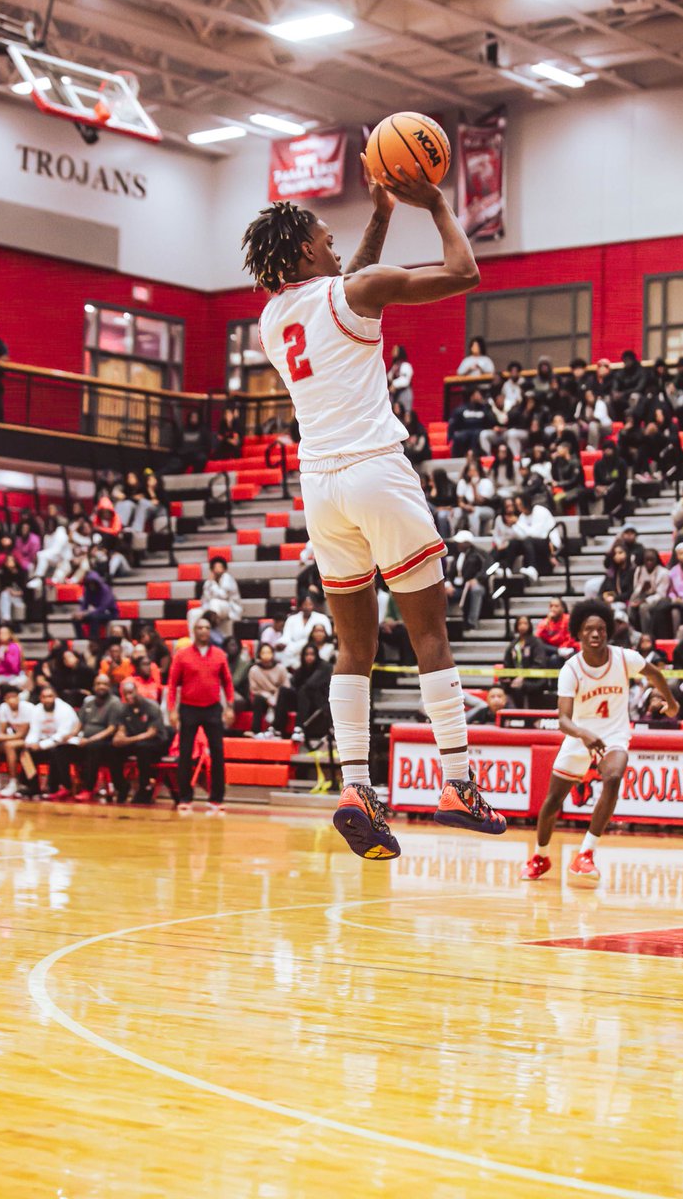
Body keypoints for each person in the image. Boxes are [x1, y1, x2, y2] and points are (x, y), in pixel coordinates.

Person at [243, 160, 506, 860]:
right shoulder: (356, 289)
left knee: (354, 648)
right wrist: (438, 205)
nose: (337, 245)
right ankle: (458, 781)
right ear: (304, 249)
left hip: (320, 489)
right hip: (375, 470)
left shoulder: (271, 320)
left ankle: (357, 787)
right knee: (431, 636)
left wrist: (381, 218)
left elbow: (339, 283)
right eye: (326, 237)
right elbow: (464, 272)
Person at [521, 599, 678, 886]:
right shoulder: (571, 669)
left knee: (615, 776)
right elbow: (563, 720)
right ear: (578, 634)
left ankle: (586, 854)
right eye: (589, 630)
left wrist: (671, 701)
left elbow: (655, 674)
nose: (596, 634)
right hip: (579, 737)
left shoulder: (623, 657)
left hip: (614, 735)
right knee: (552, 801)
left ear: (608, 632)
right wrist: (584, 735)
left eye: (601, 629)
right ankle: (540, 856)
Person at [167, 616, 234, 813]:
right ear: (194, 631)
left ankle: (216, 799)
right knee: (185, 754)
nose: (203, 631)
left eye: (206, 627)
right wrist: (172, 711)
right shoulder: (182, 655)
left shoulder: (220, 655)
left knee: (218, 754)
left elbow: (228, 683)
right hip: (188, 708)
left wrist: (229, 706)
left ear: (210, 631)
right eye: (200, 627)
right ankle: (185, 798)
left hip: (213, 708)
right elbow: (172, 685)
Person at [54, 674, 122, 801]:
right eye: (98, 684)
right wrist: (69, 736)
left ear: (110, 687)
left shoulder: (114, 703)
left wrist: (89, 740)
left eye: (105, 684)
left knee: (93, 748)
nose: (101, 686)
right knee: (60, 749)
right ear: (94, 686)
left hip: (105, 745)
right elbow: (80, 724)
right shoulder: (89, 702)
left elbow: (111, 729)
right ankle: (67, 786)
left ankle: (89, 789)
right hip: (85, 741)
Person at [112, 679, 167, 804]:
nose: (128, 696)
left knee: (143, 748)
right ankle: (121, 786)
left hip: (156, 742)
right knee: (113, 749)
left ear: (137, 691)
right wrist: (119, 738)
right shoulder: (124, 709)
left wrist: (128, 740)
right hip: (135, 742)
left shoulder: (151, 706)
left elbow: (151, 733)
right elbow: (122, 729)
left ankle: (144, 788)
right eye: (125, 694)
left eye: (131, 692)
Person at [23, 684, 80, 799]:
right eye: (44, 697)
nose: (47, 700)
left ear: (55, 697)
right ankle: (33, 787)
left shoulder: (65, 709)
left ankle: (60, 787)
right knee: (25, 753)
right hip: (46, 743)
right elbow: (34, 730)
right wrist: (30, 743)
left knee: (57, 751)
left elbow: (62, 735)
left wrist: (41, 745)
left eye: (50, 696)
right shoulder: (37, 709)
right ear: (40, 698)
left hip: (67, 744)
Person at [0, 685, 34, 797]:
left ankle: (14, 782)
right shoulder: (3, 707)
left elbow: (22, 734)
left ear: (19, 697)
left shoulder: (28, 708)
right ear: (5, 699)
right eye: (10, 697)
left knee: (9, 745)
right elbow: (3, 731)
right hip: (15, 739)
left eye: (15, 696)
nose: (13, 699)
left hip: (31, 738)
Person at [501, 617, 548, 709]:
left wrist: (523, 676)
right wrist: (507, 677)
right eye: (520, 624)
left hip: (534, 679)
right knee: (506, 685)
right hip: (516, 678)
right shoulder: (514, 644)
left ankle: (524, 715)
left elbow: (539, 664)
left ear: (529, 625)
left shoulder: (536, 642)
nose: (522, 626)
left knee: (520, 687)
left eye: (525, 623)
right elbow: (507, 664)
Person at [190, 557, 243, 636]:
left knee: (214, 603)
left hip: (229, 608)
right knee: (193, 613)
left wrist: (213, 584)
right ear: (212, 569)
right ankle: (194, 641)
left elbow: (223, 596)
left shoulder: (227, 578)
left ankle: (212, 634)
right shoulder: (208, 582)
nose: (218, 569)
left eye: (220, 567)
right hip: (212, 607)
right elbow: (205, 600)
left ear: (224, 569)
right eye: (216, 567)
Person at [248, 643, 292, 738]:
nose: (266, 655)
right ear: (259, 654)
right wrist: (268, 697)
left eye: (268, 652)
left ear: (273, 654)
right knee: (257, 699)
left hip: (279, 697)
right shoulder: (254, 670)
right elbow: (254, 689)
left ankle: (278, 730)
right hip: (263, 697)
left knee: (283, 696)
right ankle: (256, 731)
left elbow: (286, 686)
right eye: (263, 652)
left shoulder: (281, 668)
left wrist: (275, 697)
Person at [279, 596, 332, 670]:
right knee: (285, 653)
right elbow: (286, 637)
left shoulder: (322, 618)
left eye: (310, 604)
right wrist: (282, 643)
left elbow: (328, 635)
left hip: (317, 647)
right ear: (300, 606)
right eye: (305, 604)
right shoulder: (291, 619)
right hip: (296, 649)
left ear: (313, 605)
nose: (307, 607)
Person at [629, 547, 670, 634]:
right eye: (647, 560)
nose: (649, 562)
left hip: (658, 600)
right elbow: (635, 589)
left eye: (652, 560)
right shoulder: (639, 570)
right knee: (630, 605)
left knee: (643, 608)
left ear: (656, 560)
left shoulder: (664, 572)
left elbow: (661, 594)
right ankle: (632, 632)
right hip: (642, 596)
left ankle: (646, 634)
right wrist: (642, 588)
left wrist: (645, 600)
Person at [452, 460, 495, 538]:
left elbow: (480, 502)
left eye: (474, 471)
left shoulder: (486, 482)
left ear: (479, 471)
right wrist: (466, 506)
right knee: (455, 512)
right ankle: (453, 537)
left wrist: (474, 487)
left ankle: (475, 537)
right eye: (470, 471)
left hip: (486, 508)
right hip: (467, 508)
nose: (472, 473)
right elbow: (460, 502)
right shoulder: (462, 482)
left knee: (474, 513)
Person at [72, 570, 119, 641]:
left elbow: (103, 608)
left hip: (109, 613)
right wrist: (80, 613)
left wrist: (85, 613)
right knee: (75, 618)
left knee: (94, 617)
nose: (91, 585)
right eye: (90, 583)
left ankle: (93, 640)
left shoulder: (105, 590)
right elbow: (84, 604)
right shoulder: (88, 590)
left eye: (93, 583)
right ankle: (80, 638)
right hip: (96, 613)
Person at [448, 387, 493, 457]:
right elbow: (453, 425)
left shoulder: (485, 409)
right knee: (458, 436)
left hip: (479, 434)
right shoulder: (460, 410)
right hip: (465, 435)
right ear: (472, 396)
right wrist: (450, 438)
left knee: (478, 434)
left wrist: (486, 406)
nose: (480, 396)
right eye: (478, 394)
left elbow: (490, 422)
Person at [535, 598, 577, 666]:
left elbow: (571, 638)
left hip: (569, 649)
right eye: (551, 606)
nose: (553, 609)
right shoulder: (545, 622)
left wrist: (562, 649)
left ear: (563, 609)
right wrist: (546, 623)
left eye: (556, 606)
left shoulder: (568, 619)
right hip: (553, 650)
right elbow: (537, 640)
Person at [387, 344, 413, 410]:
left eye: (395, 350)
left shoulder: (405, 365)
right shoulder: (395, 366)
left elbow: (405, 380)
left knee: (404, 414)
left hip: (403, 394)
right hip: (395, 395)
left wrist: (394, 384)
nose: (392, 352)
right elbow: (389, 377)